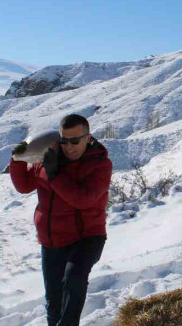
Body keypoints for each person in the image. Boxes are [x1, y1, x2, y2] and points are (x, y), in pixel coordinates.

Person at [10, 114, 112, 326]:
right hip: (53, 240)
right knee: (54, 301)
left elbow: (83, 200)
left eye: (75, 141)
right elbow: (24, 186)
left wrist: (55, 175)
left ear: (88, 137)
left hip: (87, 236)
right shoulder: (50, 158)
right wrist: (17, 159)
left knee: (73, 280)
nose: (69, 146)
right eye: (64, 141)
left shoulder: (100, 164)